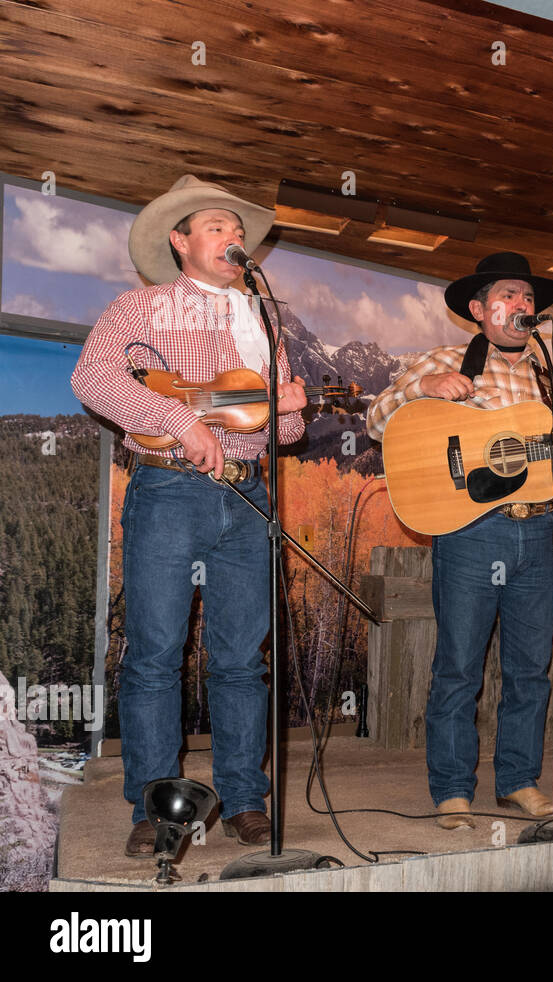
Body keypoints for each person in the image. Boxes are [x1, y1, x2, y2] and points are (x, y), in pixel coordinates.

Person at [70, 175, 308, 855]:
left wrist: (290, 408)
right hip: (170, 490)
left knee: (240, 661)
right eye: (216, 227)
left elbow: (282, 437)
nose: (233, 238)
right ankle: (154, 804)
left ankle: (242, 797)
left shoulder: (264, 321)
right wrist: (177, 417)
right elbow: (93, 377)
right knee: (154, 654)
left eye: (238, 230)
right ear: (179, 240)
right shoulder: (140, 307)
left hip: (248, 495)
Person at [366, 252, 553, 829]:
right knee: (460, 667)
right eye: (509, 295)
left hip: (539, 529)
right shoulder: (448, 360)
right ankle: (451, 788)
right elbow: (377, 421)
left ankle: (518, 780)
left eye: (529, 298)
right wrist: (424, 388)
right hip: (471, 531)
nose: (523, 305)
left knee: (530, 669)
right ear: (478, 308)